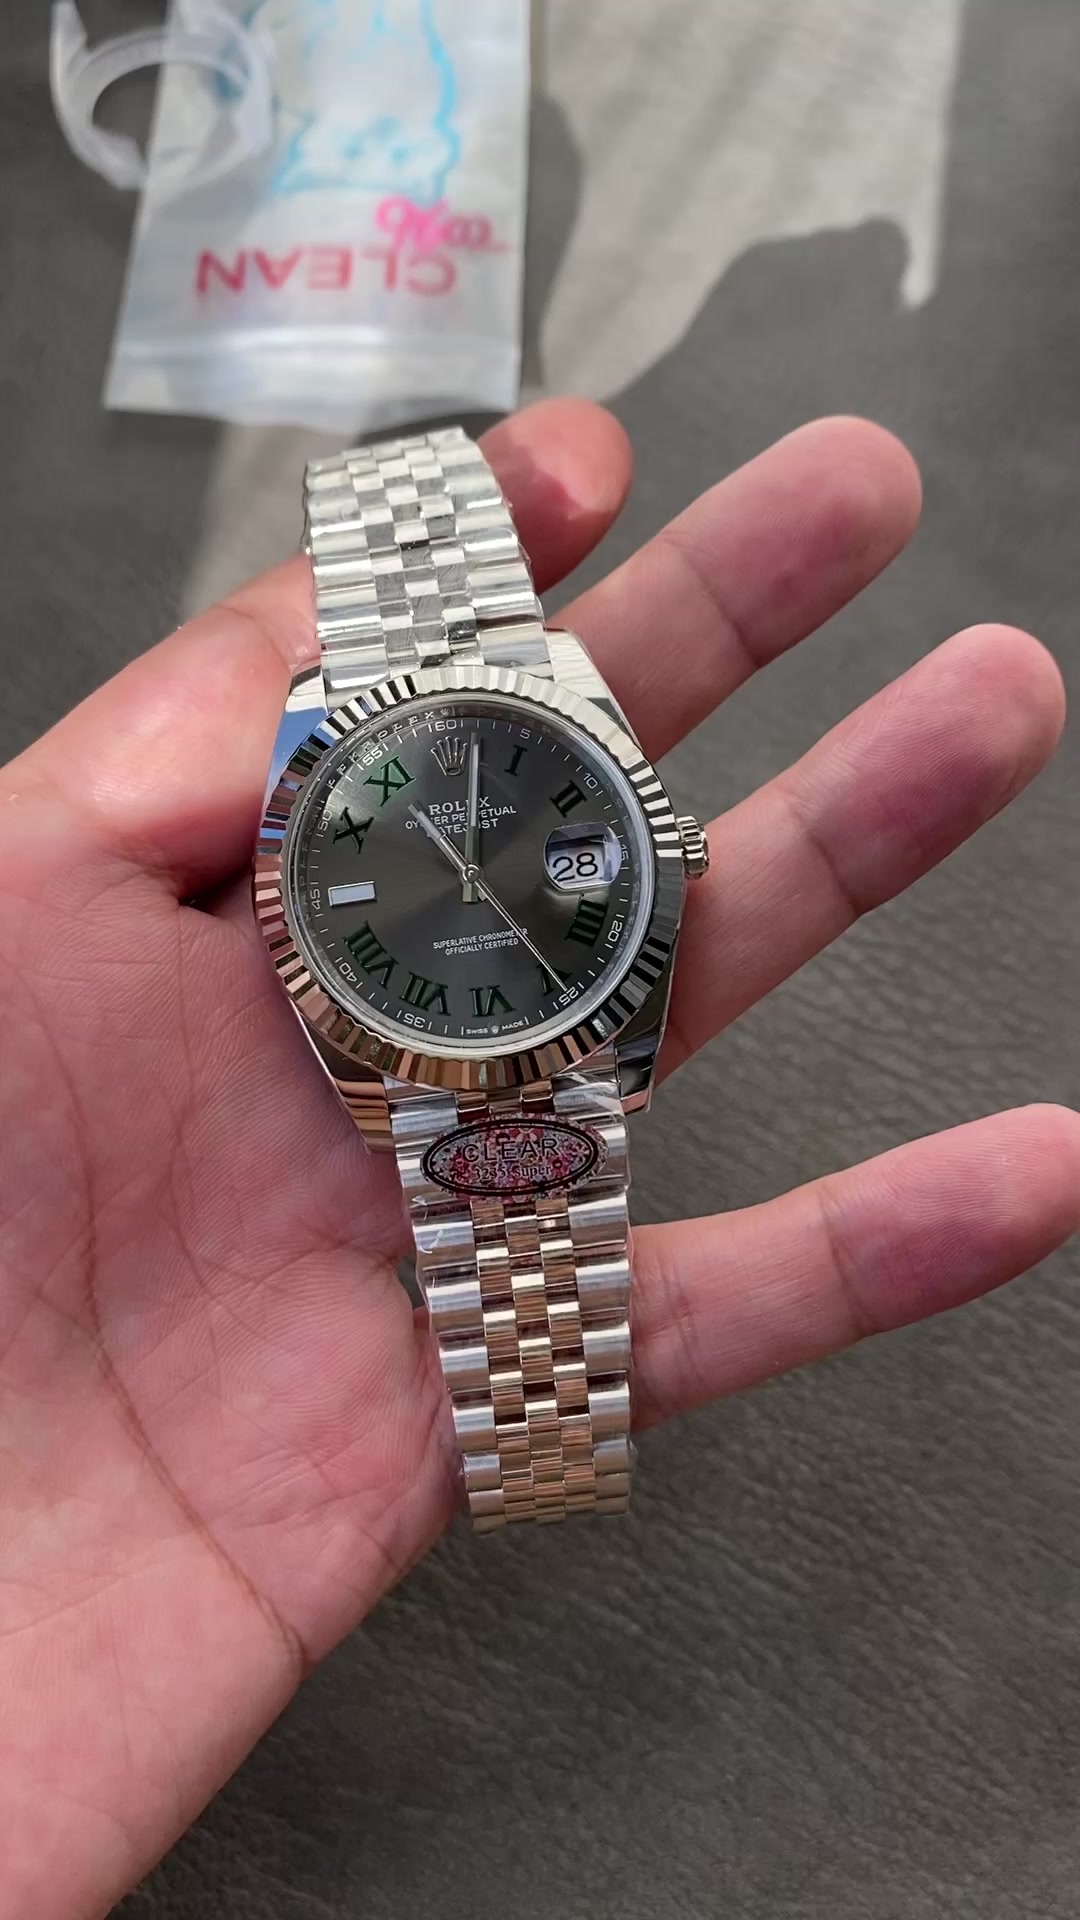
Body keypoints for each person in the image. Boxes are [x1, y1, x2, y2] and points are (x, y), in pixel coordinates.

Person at [2, 399, 1076, 1916]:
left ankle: (539, 1440)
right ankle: (539, 1440)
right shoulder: (348, 844)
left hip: (540, 1030)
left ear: (656, 848)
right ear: (287, 891)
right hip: (447, 1046)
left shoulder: (521, 796)